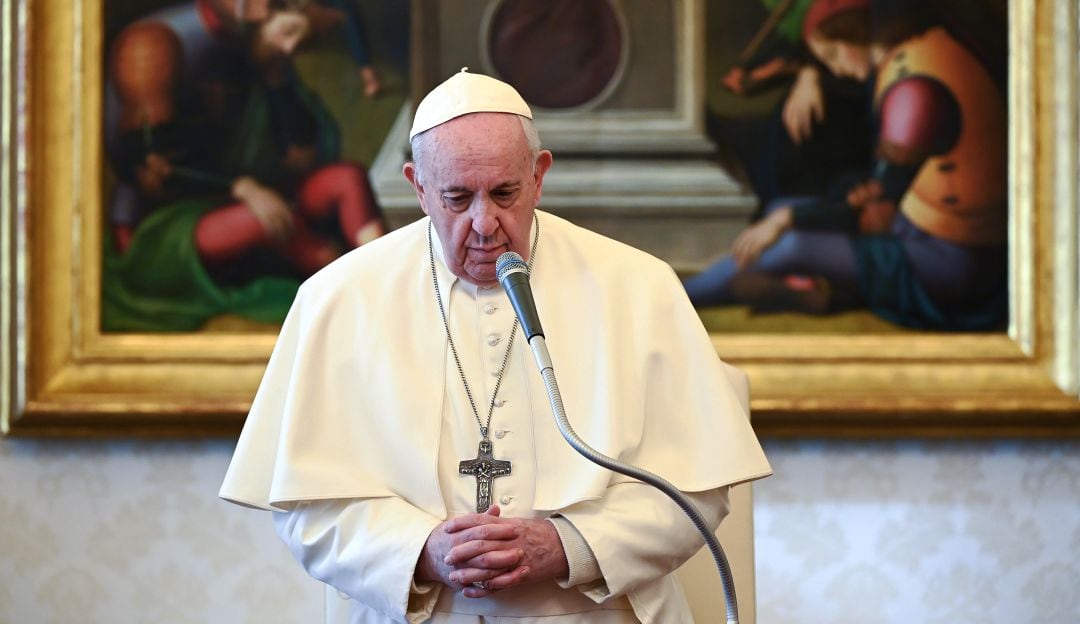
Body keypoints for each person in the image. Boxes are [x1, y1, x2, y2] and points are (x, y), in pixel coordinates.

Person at [219, 69, 771, 623]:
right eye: (457, 198)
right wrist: (422, 551)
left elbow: (696, 493)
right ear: (418, 187)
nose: (485, 224)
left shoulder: (638, 286)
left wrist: (567, 547)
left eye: (505, 193)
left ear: (539, 176)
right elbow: (307, 509)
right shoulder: (336, 299)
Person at [686, 0, 1008, 331]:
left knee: (792, 241)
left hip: (951, 264)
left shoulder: (914, 92)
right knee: (783, 209)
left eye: (833, 56)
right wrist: (787, 216)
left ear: (854, 32)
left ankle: (683, 296)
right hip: (916, 228)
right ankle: (818, 293)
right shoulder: (918, 49)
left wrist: (786, 221)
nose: (835, 69)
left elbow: (877, 201)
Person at [102, 0, 385, 331]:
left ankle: (386, 281)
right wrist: (242, 188)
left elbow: (301, 159)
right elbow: (155, 172)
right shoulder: (153, 45)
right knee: (280, 225)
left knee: (346, 178)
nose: (292, 46)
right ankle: (360, 306)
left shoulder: (259, 43)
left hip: (252, 198)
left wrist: (274, 77)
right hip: (162, 226)